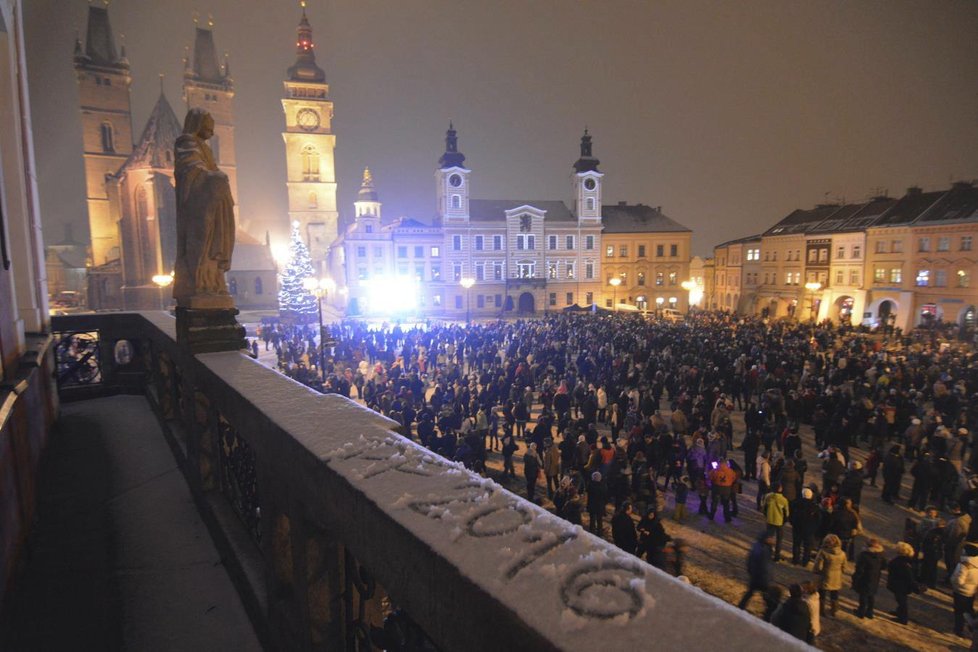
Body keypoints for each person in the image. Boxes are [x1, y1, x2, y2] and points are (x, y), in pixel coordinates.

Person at [173, 108, 236, 303]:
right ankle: (201, 282)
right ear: (199, 123)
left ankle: (213, 282)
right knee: (202, 244)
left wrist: (216, 177)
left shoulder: (205, 147)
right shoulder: (187, 142)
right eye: (209, 126)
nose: (212, 132)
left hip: (212, 202)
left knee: (214, 244)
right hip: (198, 204)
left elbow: (213, 170)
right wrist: (212, 177)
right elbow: (191, 168)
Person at [738, 531, 775, 610]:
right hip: (761, 577)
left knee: (750, 592)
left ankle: (740, 607)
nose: (773, 540)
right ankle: (770, 612)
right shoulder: (764, 549)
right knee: (767, 597)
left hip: (756, 576)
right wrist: (767, 577)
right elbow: (765, 565)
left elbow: (751, 561)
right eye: (771, 538)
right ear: (767, 539)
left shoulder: (759, 546)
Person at [812, 533, 847, 617]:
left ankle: (821, 610)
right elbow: (844, 566)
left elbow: (818, 566)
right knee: (834, 594)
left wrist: (816, 571)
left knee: (822, 593)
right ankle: (834, 609)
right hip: (837, 576)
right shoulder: (842, 553)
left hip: (825, 575)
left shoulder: (823, 553)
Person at [851, 538, 885, 619]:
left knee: (863, 596)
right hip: (875, 578)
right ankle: (870, 612)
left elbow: (860, 569)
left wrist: (855, 578)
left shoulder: (864, 555)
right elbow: (884, 565)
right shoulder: (880, 555)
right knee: (871, 595)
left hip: (864, 578)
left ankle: (861, 612)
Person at [951, 543, 978, 637]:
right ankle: (973, 625)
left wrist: (954, 583)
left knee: (959, 612)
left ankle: (959, 629)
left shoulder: (964, 565)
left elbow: (958, 580)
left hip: (960, 591)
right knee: (968, 609)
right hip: (971, 592)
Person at [887, 541, 917, 625]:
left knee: (902, 601)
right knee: (900, 600)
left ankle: (903, 618)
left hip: (900, 585)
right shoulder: (908, 561)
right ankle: (899, 612)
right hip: (901, 584)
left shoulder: (901, 562)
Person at [791, 487, 821, 567]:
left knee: (796, 544)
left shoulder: (796, 503)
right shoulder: (815, 507)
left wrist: (793, 523)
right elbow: (818, 520)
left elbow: (791, 515)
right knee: (807, 546)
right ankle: (805, 561)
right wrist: (814, 528)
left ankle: (795, 559)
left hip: (797, 528)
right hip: (809, 530)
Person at [762, 483, 790, 561]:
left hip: (770, 520)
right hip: (779, 522)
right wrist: (784, 521)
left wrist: (767, 516)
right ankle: (777, 556)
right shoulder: (784, 500)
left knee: (769, 537)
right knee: (779, 540)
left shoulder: (768, 496)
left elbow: (764, 508)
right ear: (780, 489)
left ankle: (768, 553)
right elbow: (786, 513)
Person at [586, 471, 608, 535]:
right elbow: (606, 497)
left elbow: (587, 493)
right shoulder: (603, 486)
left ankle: (592, 531)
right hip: (600, 506)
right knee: (599, 519)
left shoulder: (590, 485)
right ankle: (599, 532)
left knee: (592, 519)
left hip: (592, 505)